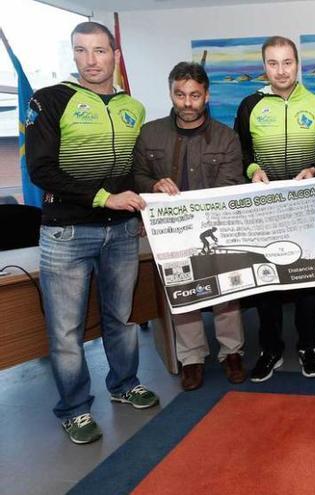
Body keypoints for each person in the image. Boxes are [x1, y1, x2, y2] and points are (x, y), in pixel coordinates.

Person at [25, 22, 159, 445]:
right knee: (66, 331)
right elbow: (41, 171)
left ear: (114, 55)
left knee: (121, 318)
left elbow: (132, 170)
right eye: (81, 51)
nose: (90, 60)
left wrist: (149, 191)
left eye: (99, 51)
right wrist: (106, 197)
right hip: (66, 234)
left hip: (120, 232)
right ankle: (75, 409)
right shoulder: (49, 101)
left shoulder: (131, 107)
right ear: (74, 55)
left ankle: (124, 385)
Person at [234, 36, 315, 382]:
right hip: (264, 209)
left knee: (308, 283)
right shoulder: (250, 105)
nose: (281, 70)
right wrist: (253, 171)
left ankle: (308, 347)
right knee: (267, 283)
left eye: (287, 62)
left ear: (299, 64)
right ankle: (270, 349)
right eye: (273, 63)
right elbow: (242, 152)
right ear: (264, 66)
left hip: (306, 208)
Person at [133, 62, 247, 391]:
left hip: (214, 228)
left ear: (206, 96)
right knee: (183, 293)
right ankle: (192, 356)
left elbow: (230, 184)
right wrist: (154, 185)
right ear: (171, 93)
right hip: (170, 234)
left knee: (226, 290)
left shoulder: (227, 138)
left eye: (194, 95)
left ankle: (232, 351)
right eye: (180, 94)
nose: (187, 102)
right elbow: (137, 175)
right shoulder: (149, 133)